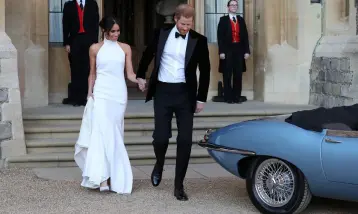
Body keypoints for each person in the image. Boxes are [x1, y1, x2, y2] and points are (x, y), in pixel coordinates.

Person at [136, 4, 211, 201]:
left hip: (185, 94)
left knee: (185, 140)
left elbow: (205, 70)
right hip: (162, 91)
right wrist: (140, 76)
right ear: (176, 19)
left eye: (189, 24)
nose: (186, 27)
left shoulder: (199, 40)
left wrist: (201, 98)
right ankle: (159, 163)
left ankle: (179, 185)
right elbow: (147, 54)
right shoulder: (161, 33)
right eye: (183, 23)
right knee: (160, 137)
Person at [74, 16, 138, 194]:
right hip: (101, 93)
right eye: (113, 31)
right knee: (100, 133)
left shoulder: (125, 48)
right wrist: (89, 93)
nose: (116, 34)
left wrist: (140, 80)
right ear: (105, 31)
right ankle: (102, 178)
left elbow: (130, 73)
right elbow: (92, 74)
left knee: (114, 133)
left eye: (118, 31)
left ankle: (113, 177)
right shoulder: (94, 48)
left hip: (118, 94)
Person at [62, 0, 99, 106]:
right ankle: (77, 98)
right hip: (75, 40)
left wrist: (95, 43)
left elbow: (95, 24)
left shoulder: (93, 4)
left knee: (88, 68)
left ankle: (87, 96)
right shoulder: (68, 5)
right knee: (76, 68)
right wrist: (67, 43)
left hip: (89, 40)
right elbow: (65, 25)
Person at [217, 0, 250, 104]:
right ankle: (228, 97)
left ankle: (236, 97)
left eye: (236, 5)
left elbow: (245, 36)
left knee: (238, 74)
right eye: (232, 5)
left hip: (239, 50)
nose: (234, 7)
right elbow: (220, 37)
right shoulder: (223, 20)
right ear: (228, 7)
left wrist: (247, 51)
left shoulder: (241, 20)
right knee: (227, 74)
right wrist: (221, 52)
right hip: (227, 50)